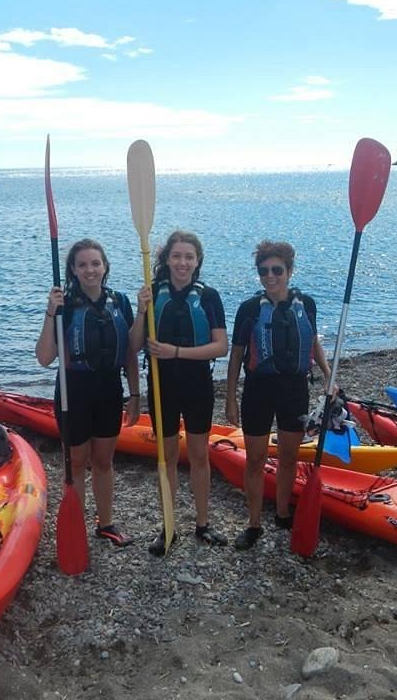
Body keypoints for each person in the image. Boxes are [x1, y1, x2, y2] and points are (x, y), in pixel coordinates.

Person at [225, 240, 333, 550]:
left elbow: (313, 343)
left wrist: (329, 375)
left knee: (288, 457)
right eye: (263, 271)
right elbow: (236, 356)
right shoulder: (248, 309)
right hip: (258, 390)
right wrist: (230, 397)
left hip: (294, 389)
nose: (270, 276)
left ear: (289, 271)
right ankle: (254, 523)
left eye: (276, 270)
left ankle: (283, 513)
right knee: (255, 459)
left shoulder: (306, 304)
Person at [130, 230, 229, 555]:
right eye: (177, 256)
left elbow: (220, 346)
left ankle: (203, 524)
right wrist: (142, 310)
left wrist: (175, 352)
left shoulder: (209, 296)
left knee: (199, 455)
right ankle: (168, 526)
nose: (182, 262)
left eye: (189, 257)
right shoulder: (152, 293)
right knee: (167, 457)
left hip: (197, 383)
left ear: (197, 261)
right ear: (167, 259)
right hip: (162, 385)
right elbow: (133, 346)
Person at [36, 238, 140, 547]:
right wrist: (49, 312)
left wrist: (135, 395)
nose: (90, 270)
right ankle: (76, 524)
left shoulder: (119, 302)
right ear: (72, 269)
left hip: (109, 389)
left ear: (105, 266)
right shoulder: (63, 306)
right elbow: (44, 358)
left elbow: (131, 354)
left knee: (104, 461)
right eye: (82, 264)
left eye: (95, 263)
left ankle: (105, 523)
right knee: (77, 462)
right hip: (74, 391)